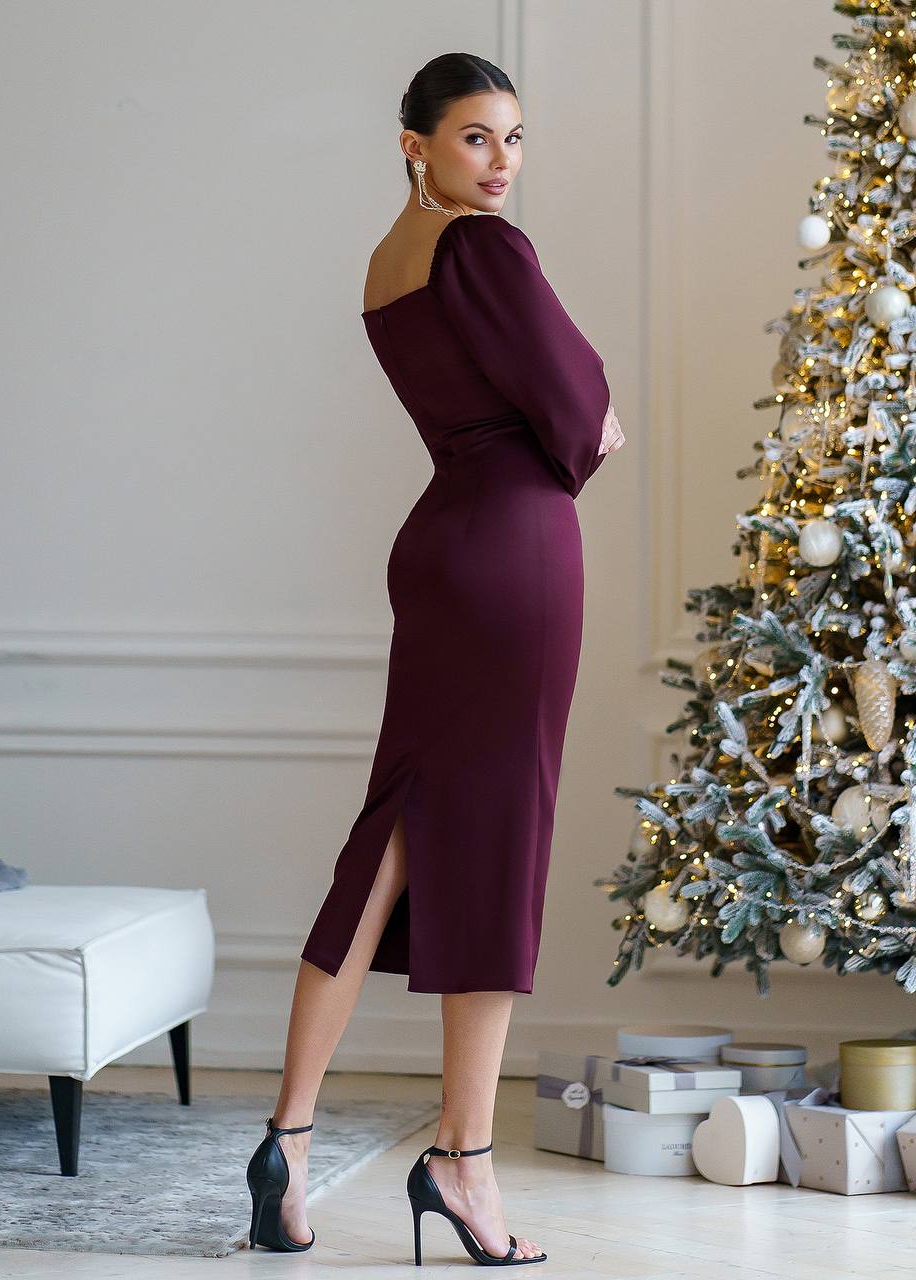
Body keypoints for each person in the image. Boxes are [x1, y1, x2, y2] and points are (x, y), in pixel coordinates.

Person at [245, 51, 625, 1266]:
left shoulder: (386, 264)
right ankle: (463, 1162)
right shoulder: (482, 250)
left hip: (440, 547)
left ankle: (287, 1141)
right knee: (496, 842)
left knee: (401, 831)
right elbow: (581, 411)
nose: (501, 163)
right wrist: (596, 417)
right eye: (474, 139)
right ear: (412, 143)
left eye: (514, 139)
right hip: (512, 551)